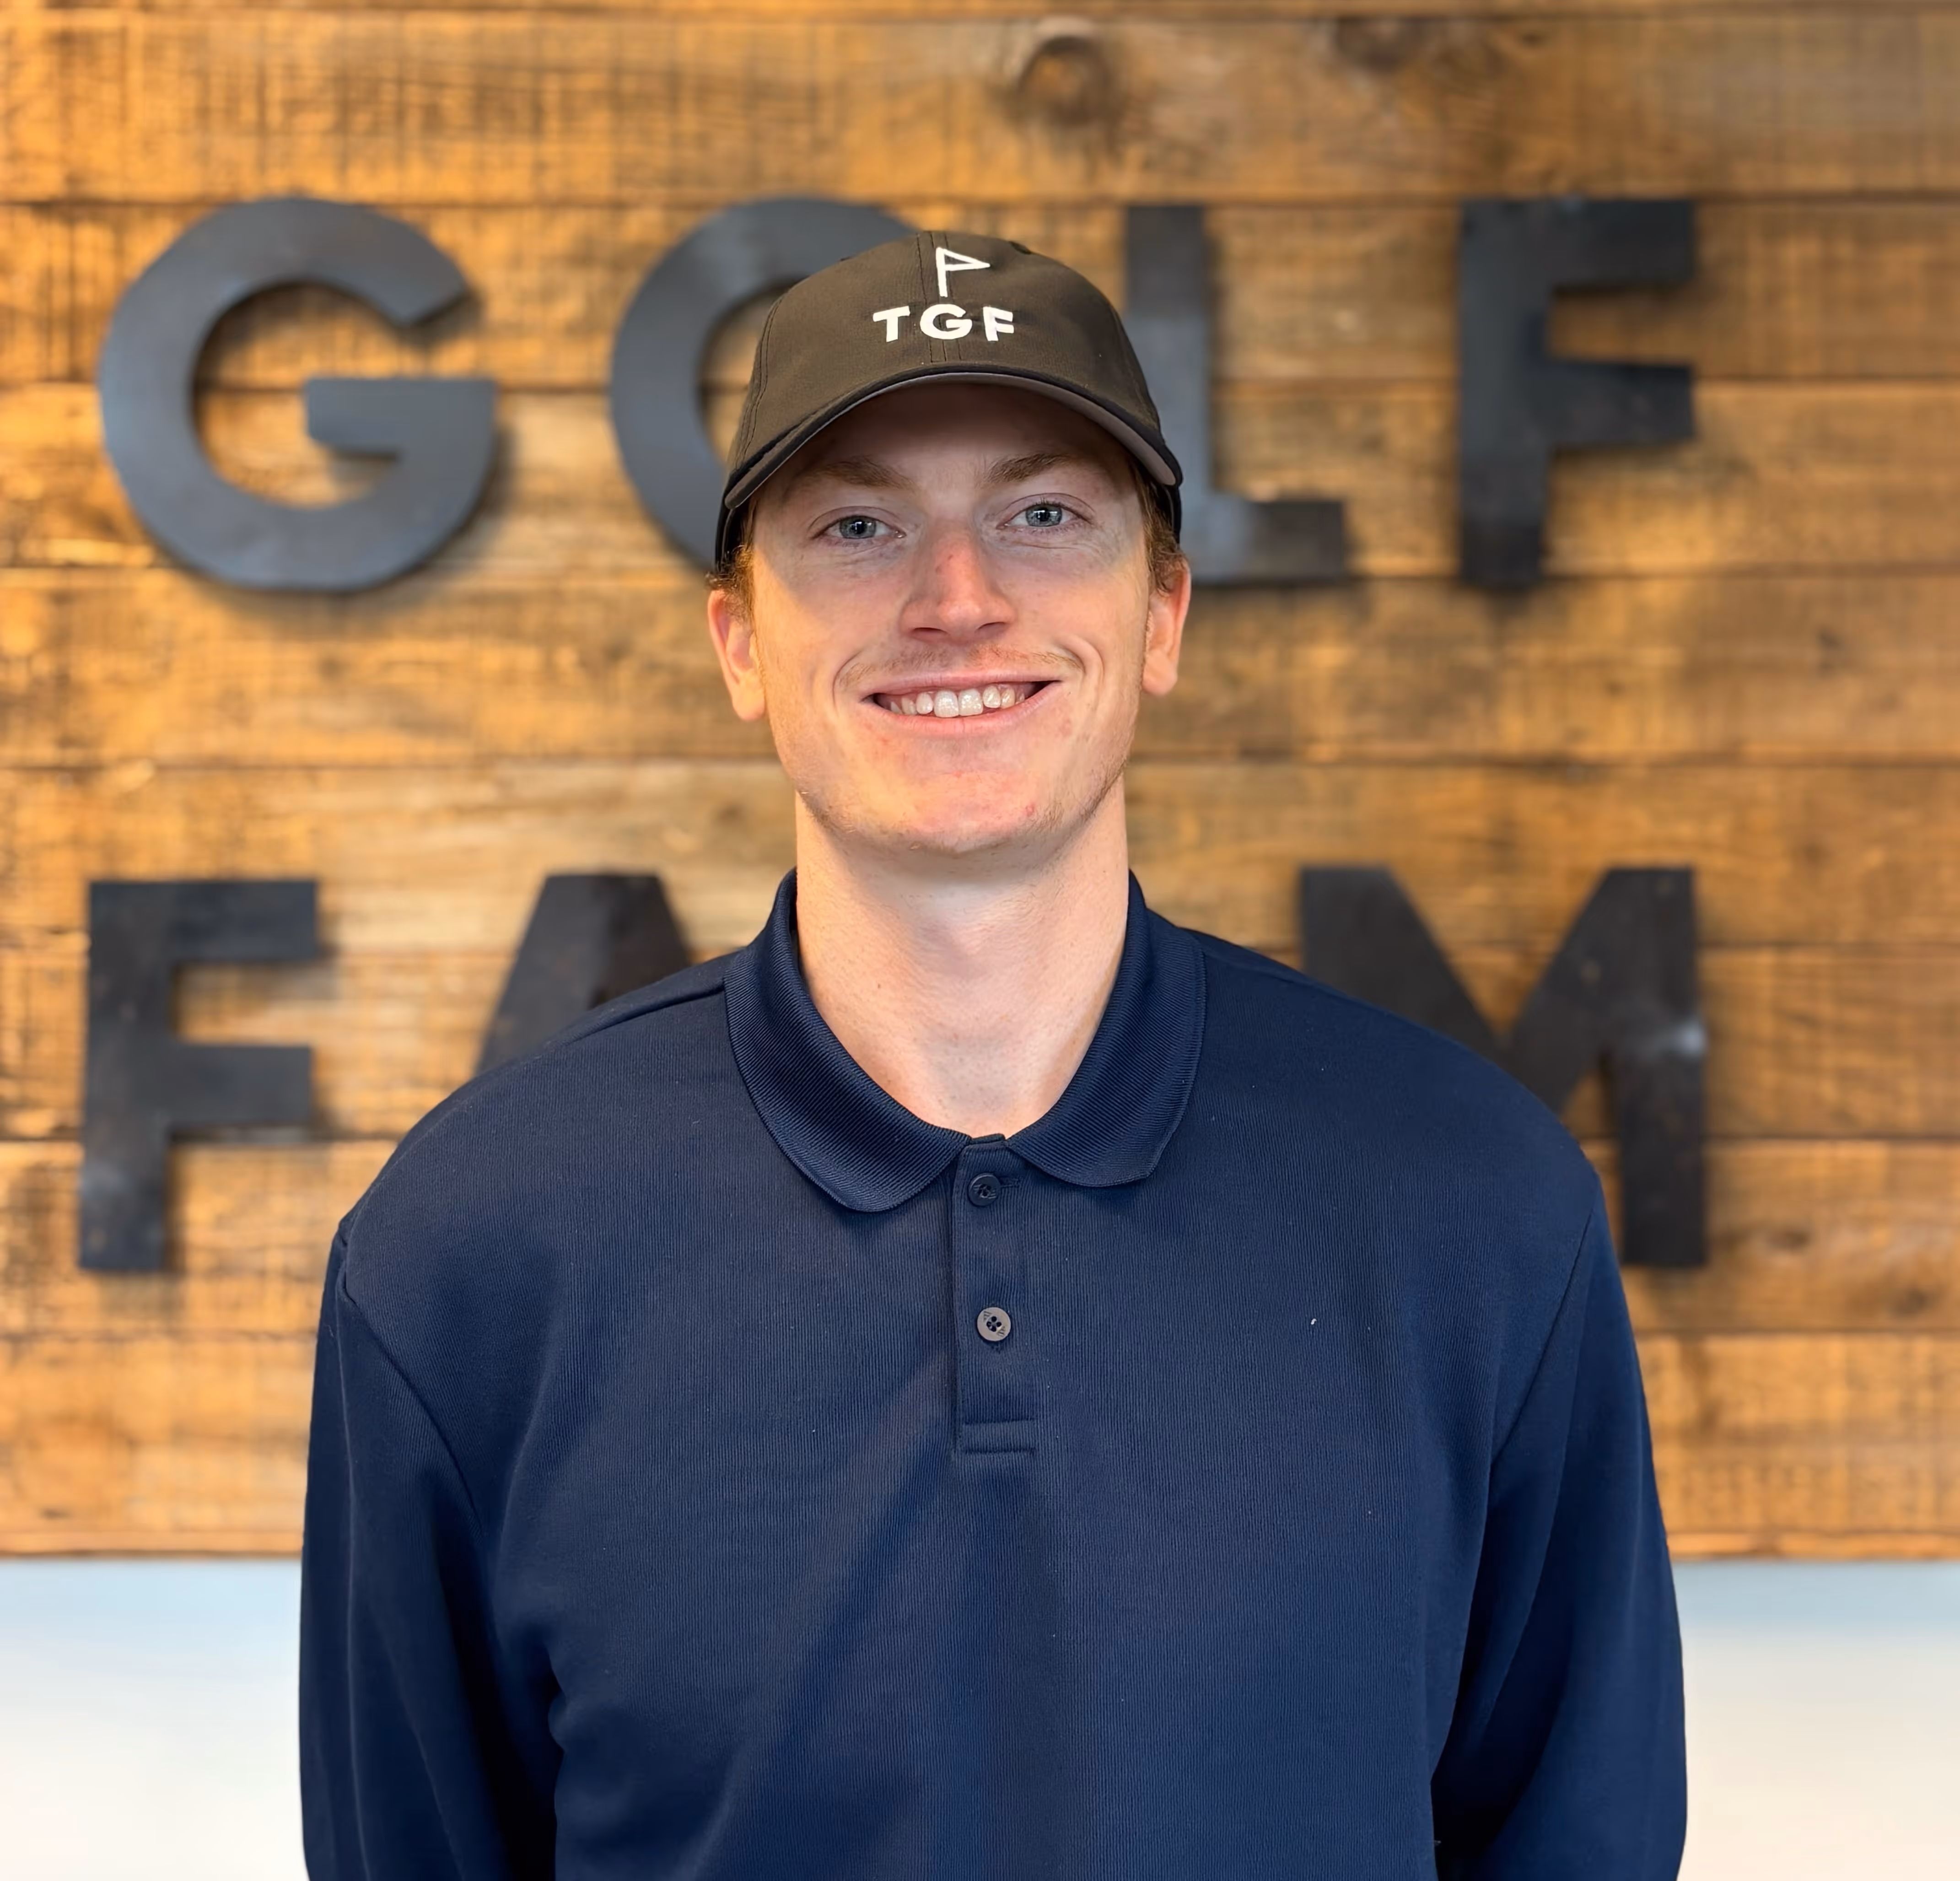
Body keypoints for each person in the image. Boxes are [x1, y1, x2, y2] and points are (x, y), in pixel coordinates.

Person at [300, 230, 1686, 1879]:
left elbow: (1574, 1835)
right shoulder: (471, 1245)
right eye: (858, 526)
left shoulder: (1472, 1199)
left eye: (1041, 517)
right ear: (739, 641)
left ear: (1160, 613)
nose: (957, 600)